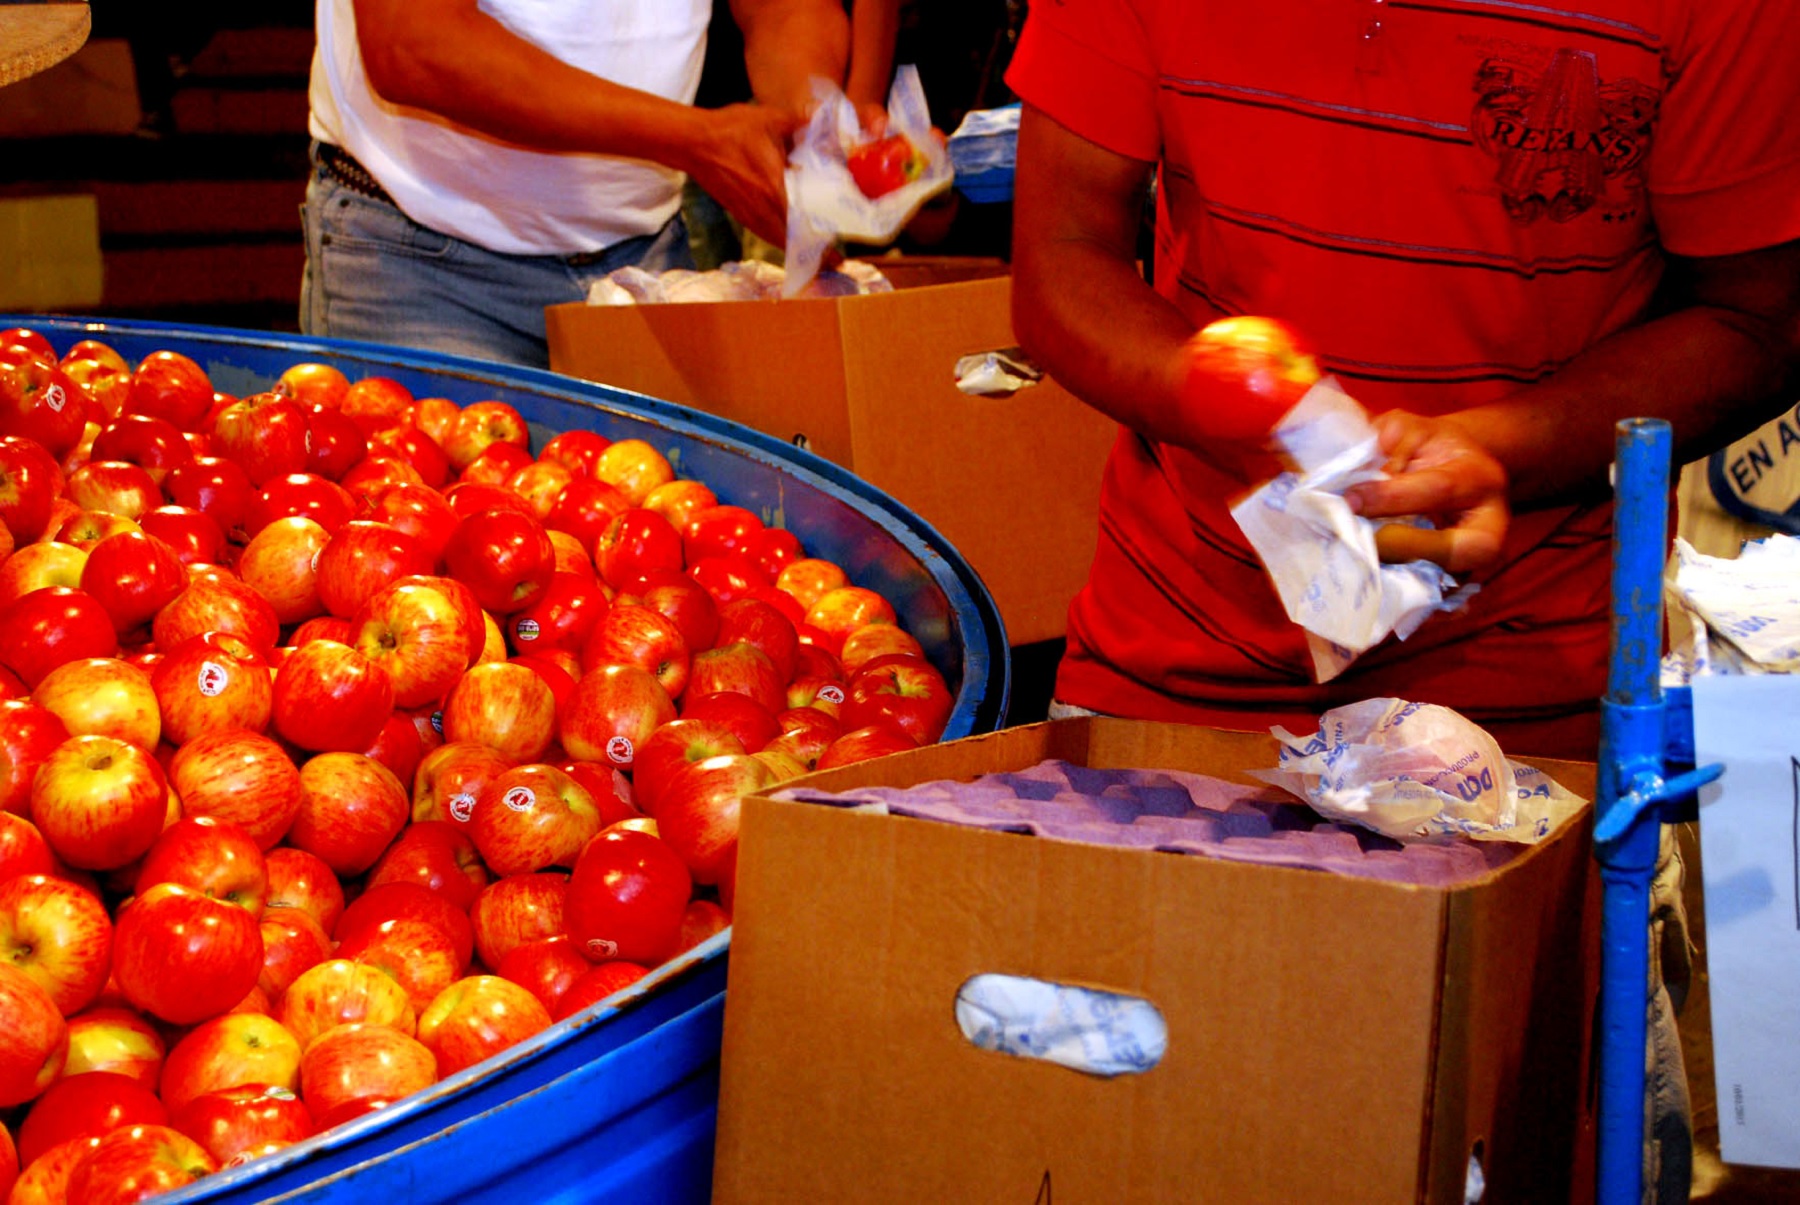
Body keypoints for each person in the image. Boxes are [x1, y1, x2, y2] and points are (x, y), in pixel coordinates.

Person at [1005, 3, 1800, 1202]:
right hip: (1170, 659)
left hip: (1528, 696)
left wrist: (1506, 448)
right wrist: (1235, 411)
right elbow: (1062, 255)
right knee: (1117, 1139)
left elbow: (1756, 315)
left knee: (1476, 1153)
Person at [301, 0, 852, 368]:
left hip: (646, 266)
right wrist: (694, 141)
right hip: (423, 261)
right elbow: (412, 41)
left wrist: (811, 121)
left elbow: (783, 9)